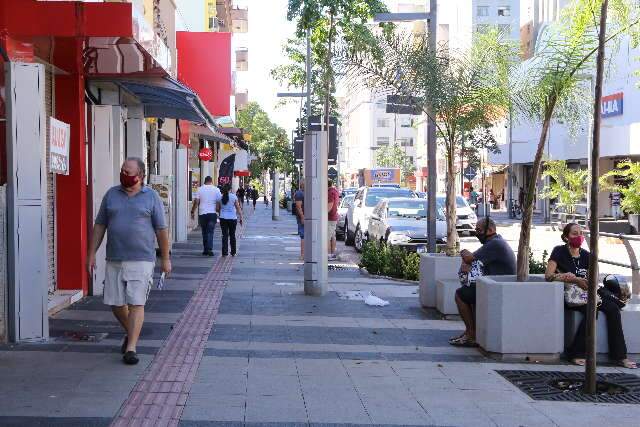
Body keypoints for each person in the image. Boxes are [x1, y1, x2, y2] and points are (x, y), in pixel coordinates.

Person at [88, 157, 171, 365]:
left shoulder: (151, 197)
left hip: (142, 258)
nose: (124, 174)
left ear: (140, 176)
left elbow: (161, 231)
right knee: (116, 303)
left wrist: (166, 259)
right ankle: (132, 332)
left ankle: (131, 347)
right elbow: (99, 226)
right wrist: (91, 253)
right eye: (123, 170)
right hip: (115, 257)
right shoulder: (111, 195)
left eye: (129, 171)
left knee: (136, 302)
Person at [545, 223, 636, 368]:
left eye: (580, 233)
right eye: (574, 233)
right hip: (572, 294)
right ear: (566, 237)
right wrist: (573, 278)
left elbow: (594, 278)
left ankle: (620, 356)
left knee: (613, 309)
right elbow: (549, 275)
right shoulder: (559, 251)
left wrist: (589, 282)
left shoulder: (587, 255)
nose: (578, 237)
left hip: (589, 291)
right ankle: (576, 353)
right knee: (592, 311)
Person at [449, 217, 516, 347]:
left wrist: (463, 253)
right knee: (469, 292)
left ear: (490, 230)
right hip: (496, 285)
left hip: (497, 289)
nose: (477, 233)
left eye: (479, 230)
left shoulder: (494, 244)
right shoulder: (496, 241)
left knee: (460, 295)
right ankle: (471, 332)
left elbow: (469, 258)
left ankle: (471, 334)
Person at [191, 176, 221, 256]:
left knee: (204, 231)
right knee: (210, 231)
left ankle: (205, 249)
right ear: (211, 181)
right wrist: (218, 212)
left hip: (202, 213)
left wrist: (192, 211)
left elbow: (196, 202)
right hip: (212, 213)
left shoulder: (200, 189)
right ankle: (210, 249)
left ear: (205, 181)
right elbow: (219, 202)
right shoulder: (216, 189)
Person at [217, 184, 243, 257]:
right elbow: (238, 208)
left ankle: (224, 252)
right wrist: (241, 217)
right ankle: (233, 252)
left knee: (224, 235)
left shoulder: (220, 197)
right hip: (232, 219)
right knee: (232, 235)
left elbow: (217, 209)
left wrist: (221, 211)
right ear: (230, 189)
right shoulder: (234, 197)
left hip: (223, 218)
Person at [327, 179, 340, 260]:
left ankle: (328, 255)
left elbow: (330, 205)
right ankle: (332, 253)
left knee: (326, 237)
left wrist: (323, 215)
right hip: (334, 217)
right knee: (332, 236)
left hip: (330, 218)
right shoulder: (335, 191)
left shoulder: (330, 192)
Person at [294, 183, 305, 259]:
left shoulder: (303, 193)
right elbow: (298, 206)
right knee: (303, 235)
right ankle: (303, 255)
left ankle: (304, 254)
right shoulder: (299, 193)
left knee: (305, 236)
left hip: (308, 217)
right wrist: (302, 217)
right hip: (303, 217)